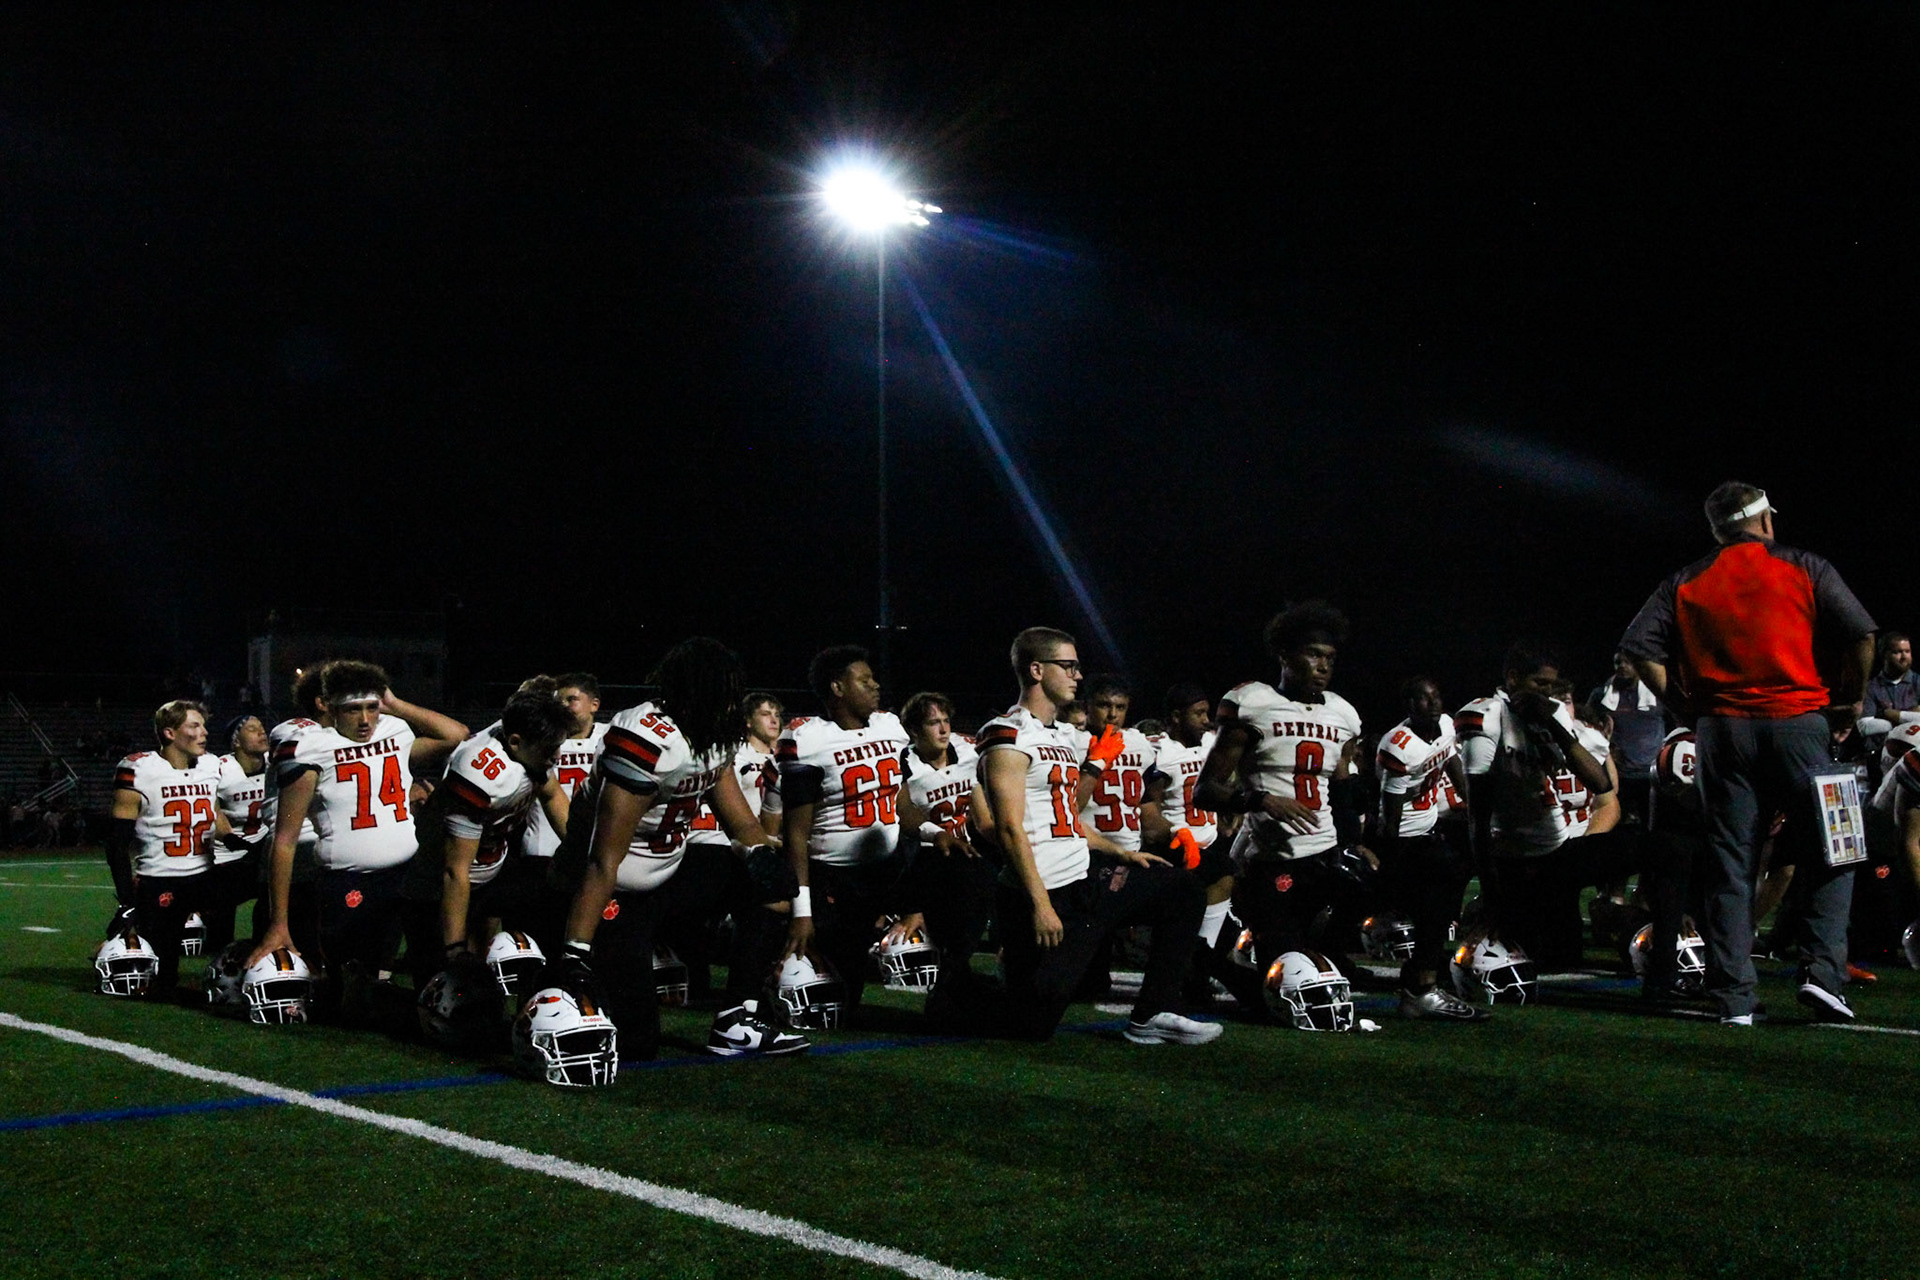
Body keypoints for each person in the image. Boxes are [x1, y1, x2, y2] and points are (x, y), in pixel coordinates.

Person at [1620, 481, 1876, 1025]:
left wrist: (1686, 707)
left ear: (1718, 530)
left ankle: (1735, 997)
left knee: (1731, 865)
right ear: (1764, 520)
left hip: (1722, 732)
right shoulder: (1804, 565)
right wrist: (1851, 700)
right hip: (1800, 724)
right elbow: (1861, 634)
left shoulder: (1685, 579)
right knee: (1838, 846)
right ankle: (1822, 974)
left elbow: (1638, 647)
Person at [550, 638, 802, 1060]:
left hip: (670, 870)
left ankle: (737, 1019)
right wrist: (575, 952)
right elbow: (603, 859)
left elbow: (741, 822)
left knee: (771, 889)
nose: (732, 701)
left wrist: (761, 855)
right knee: (636, 1042)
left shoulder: (712, 736)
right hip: (614, 890)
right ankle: (555, 975)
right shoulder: (647, 738)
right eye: (725, 689)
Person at [977, 626, 1218, 1044]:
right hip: (1045, 893)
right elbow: (1010, 828)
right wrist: (1040, 905)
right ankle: (966, 991)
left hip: (1086, 882)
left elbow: (1066, 819)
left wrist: (1120, 854)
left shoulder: (1058, 735)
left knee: (1182, 889)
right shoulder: (1008, 733)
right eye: (1068, 666)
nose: (1077, 676)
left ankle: (1153, 1013)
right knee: (1032, 1023)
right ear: (1036, 670)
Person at [249, 662, 469, 1015]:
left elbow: (456, 734)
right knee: (349, 991)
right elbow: (285, 838)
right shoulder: (310, 748)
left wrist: (394, 704)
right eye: (353, 709)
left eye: (372, 707)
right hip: (349, 879)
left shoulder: (394, 730)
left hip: (408, 874)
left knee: (426, 972)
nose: (366, 720)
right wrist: (279, 923)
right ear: (330, 707)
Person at [1193, 601, 1373, 1016]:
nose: (1323, 666)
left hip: (1323, 854)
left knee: (1366, 896)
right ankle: (1209, 962)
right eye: (1313, 654)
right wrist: (1261, 800)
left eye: (1330, 658)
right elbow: (1205, 791)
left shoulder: (1342, 713)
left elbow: (1340, 787)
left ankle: (1299, 953)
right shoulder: (1253, 703)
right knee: (1280, 997)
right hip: (1268, 860)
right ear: (1284, 655)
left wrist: (1354, 842)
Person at [1455, 644, 1615, 968]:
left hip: (1558, 850)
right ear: (1513, 678)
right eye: (1539, 683)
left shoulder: (1553, 712)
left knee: (1662, 849)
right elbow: (1479, 816)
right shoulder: (1485, 716)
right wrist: (1491, 893)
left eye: (1551, 686)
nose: (1546, 693)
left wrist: (1552, 725)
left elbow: (1601, 783)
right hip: (1513, 856)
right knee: (1527, 956)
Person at [1375, 677, 1486, 1020]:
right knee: (1434, 907)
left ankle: (1423, 976)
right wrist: (1390, 865)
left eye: (1436, 696)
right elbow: (1391, 818)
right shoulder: (1399, 745)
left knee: (1446, 899)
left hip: (1430, 831)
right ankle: (1421, 984)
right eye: (1424, 699)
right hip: (1406, 839)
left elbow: (1452, 762)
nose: (1434, 703)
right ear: (1409, 705)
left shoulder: (1444, 725)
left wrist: (1476, 810)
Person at [106, 700, 230, 996]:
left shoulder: (211, 765)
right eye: (194, 726)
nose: (204, 732)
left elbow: (214, 814)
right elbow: (117, 844)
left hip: (205, 875)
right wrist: (126, 900)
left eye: (204, 725)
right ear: (170, 733)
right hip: (160, 880)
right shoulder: (139, 769)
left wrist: (242, 844)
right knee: (162, 978)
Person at [1141, 683, 1239, 1002]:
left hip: (1210, 843)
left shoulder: (1210, 742)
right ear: (1175, 716)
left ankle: (1198, 965)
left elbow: (1225, 780)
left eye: (1207, 713)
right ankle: (1197, 965)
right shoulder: (1160, 751)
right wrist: (1173, 835)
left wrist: (1228, 814)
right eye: (1198, 713)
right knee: (1223, 874)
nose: (1206, 720)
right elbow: (1149, 809)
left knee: (1228, 925)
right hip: (1176, 848)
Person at [208, 714, 271, 952]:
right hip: (227, 854)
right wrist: (228, 836)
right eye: (253, 729)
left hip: (262, 846)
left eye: (262, 727)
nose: (262, 732)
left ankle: (264, 946)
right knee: (221, 913)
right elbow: (210, 808)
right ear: (236, 741)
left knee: (275, 894)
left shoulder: (275, 761)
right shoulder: (220, 769)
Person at [1588, 652, 1666, 827]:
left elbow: (1677, 722)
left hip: (1651, 774)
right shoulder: (1601, 695)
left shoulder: (1657, 693)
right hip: (1618, 775)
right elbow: (1586, 724)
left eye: (1628, 662)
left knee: (1652, 826)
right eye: (1618, 662)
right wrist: (1606, 745)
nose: (1622, 666)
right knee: (1615, 825)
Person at [1859, 633, 1918, 739]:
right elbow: (1864, 726)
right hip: (1881, 746)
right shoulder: (1871, 687)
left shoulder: (1917, 682)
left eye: (1907, 651)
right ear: (1884, 655)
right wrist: (1908, 719)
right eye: (1897, 652)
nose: (1904, 657)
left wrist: (1888, 714)